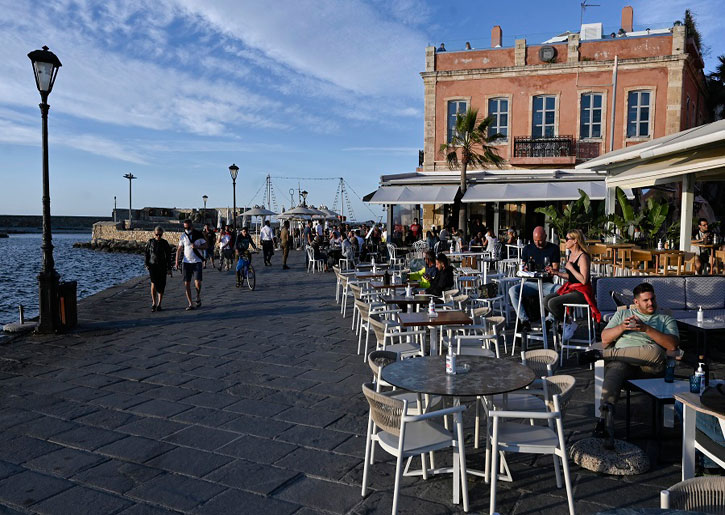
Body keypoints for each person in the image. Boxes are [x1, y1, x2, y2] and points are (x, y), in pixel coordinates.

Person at [583, 283, 679, 447]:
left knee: (656, 351)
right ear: (636, 302)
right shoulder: (623, 314)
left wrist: (646, 329)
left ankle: (601, 355)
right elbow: (605, 338)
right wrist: (622, 327)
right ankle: (604, 420)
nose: (651, 303)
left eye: (652, 299)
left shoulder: (665, 318)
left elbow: (672, 345)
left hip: (650, 367)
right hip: (624, 363)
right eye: (646, 300)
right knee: (616, 369)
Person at [508, 226, 561, 332]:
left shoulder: (553, 248)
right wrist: (525, 269)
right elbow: (523, 266)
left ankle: (550, 320)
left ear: (545, 236)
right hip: (530, 283)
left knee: (561, 290)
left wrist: (551, 270)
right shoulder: (527, 249)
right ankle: (524, 320)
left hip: (546, 284)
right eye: (535, 240)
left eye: (540, 240)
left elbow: (556, 269)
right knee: (512, 291)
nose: (538, 243)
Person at [543, 229, 600, 324]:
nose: (565, 241)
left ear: (575, 241)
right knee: (546, 300)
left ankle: (568, 323)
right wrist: (556, 273)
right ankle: (565, 322)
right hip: (571, 288)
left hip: (582, 292)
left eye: (567, 239)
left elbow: (584, 280)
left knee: (553, 303)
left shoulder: (583, 257)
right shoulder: (571, 255)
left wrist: (571, 268)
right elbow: (571, 277)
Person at [176, 219, 207, 311]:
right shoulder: (183, 236)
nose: (186, 229)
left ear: (192, 226)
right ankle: (190, 303)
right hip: (186, 262)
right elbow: (179, 249)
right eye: (185, 227)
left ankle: (197, 295)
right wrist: (176, 262)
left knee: (198, 282)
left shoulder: (198, 235)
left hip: (197, 261)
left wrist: (197, 246)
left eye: (188, 227)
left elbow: (206, 246)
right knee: (187, 283)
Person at [144, 226, 172, 312]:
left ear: (162, 234)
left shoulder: (164, 243)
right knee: (153, 283)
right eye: (157, 234)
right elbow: (146, 253)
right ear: (154, 234)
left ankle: (159, 303)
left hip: (162, 266)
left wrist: (169, 268)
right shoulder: (150, 242)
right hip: (152, 265)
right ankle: (154, 303)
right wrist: (146, 264)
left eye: (160, 235)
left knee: (161, 284)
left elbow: (168, 256)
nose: (158, 236)